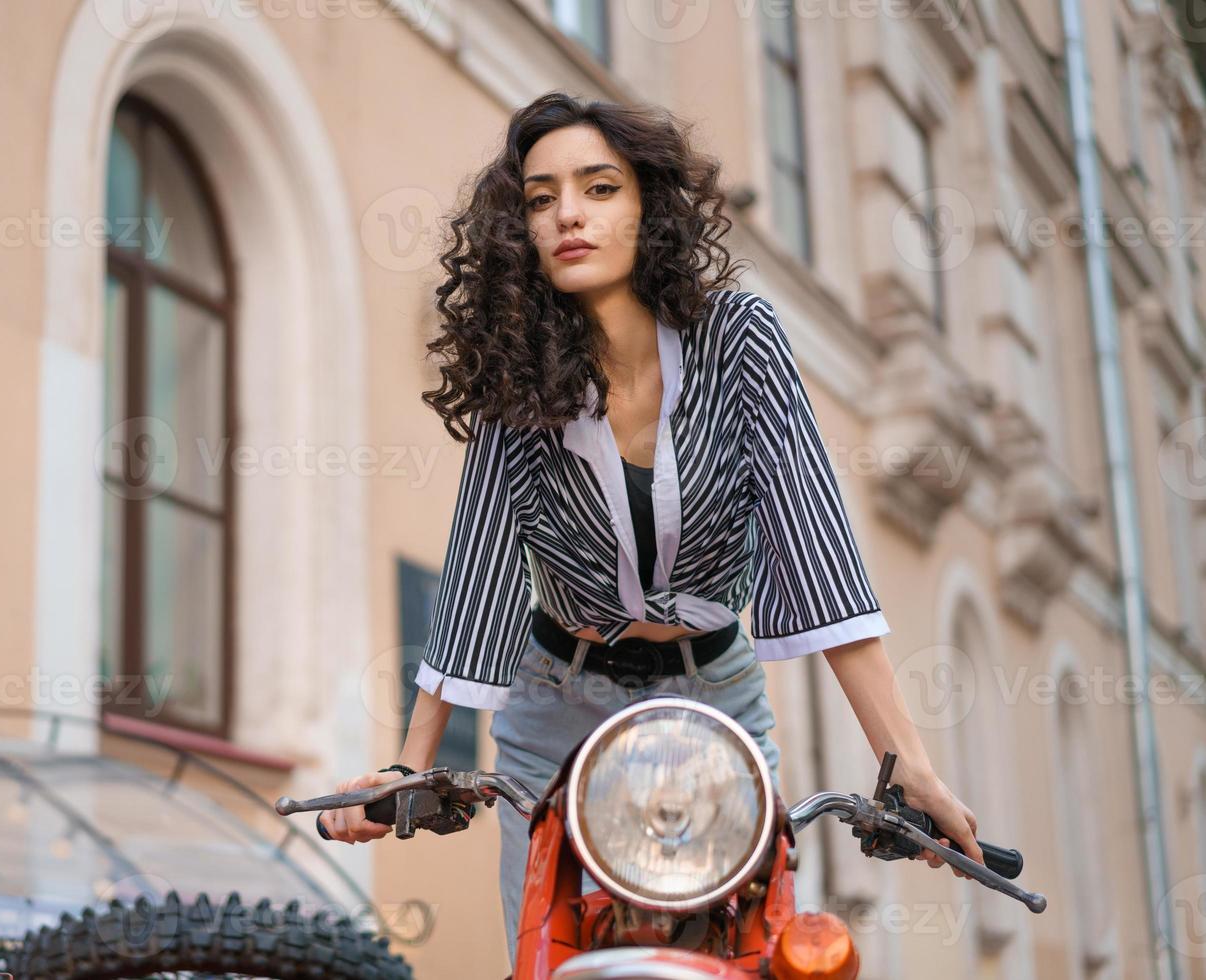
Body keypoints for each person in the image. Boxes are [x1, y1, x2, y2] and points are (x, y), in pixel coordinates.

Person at [320, 91, 982, 965]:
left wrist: (909, 766)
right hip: (558, 699)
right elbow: (479, 570)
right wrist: (411, 767)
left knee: (746, 951)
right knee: (548, 955)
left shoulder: (740, 338)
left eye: (599, 188)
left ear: (648, 208)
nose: (568, 215)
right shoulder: (518, 371)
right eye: (541, 197)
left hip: (715, 694)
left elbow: (816, 543)